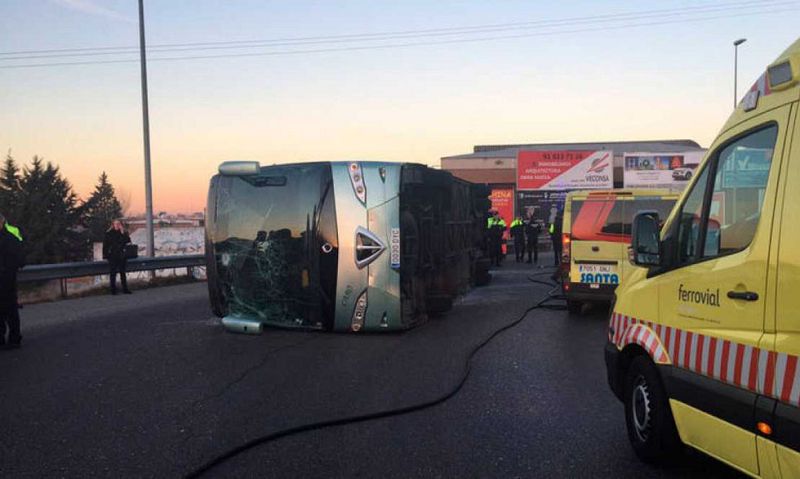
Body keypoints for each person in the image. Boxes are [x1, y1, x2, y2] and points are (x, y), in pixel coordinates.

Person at [0, 213, 25, 349]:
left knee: (10, 310)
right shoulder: (10, 237)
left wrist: (9, 269)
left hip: (7, 279)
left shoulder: (10, 238)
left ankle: (14, 339)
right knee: (7, 310)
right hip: (6, 277)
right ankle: (6, 338)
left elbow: (20, 259)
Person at [103, 219, 132, 295]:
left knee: (122, 273)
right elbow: (105, 245)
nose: (117, 225)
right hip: (112, 256)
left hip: (122, 256)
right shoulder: (109, 233)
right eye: (116, 224)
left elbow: (128, 242)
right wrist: (106, 256)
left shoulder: (123, 233)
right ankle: (113, 290)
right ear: (113, 225)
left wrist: (123, 233)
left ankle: (125, 289)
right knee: (113, 273)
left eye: (118, 224)